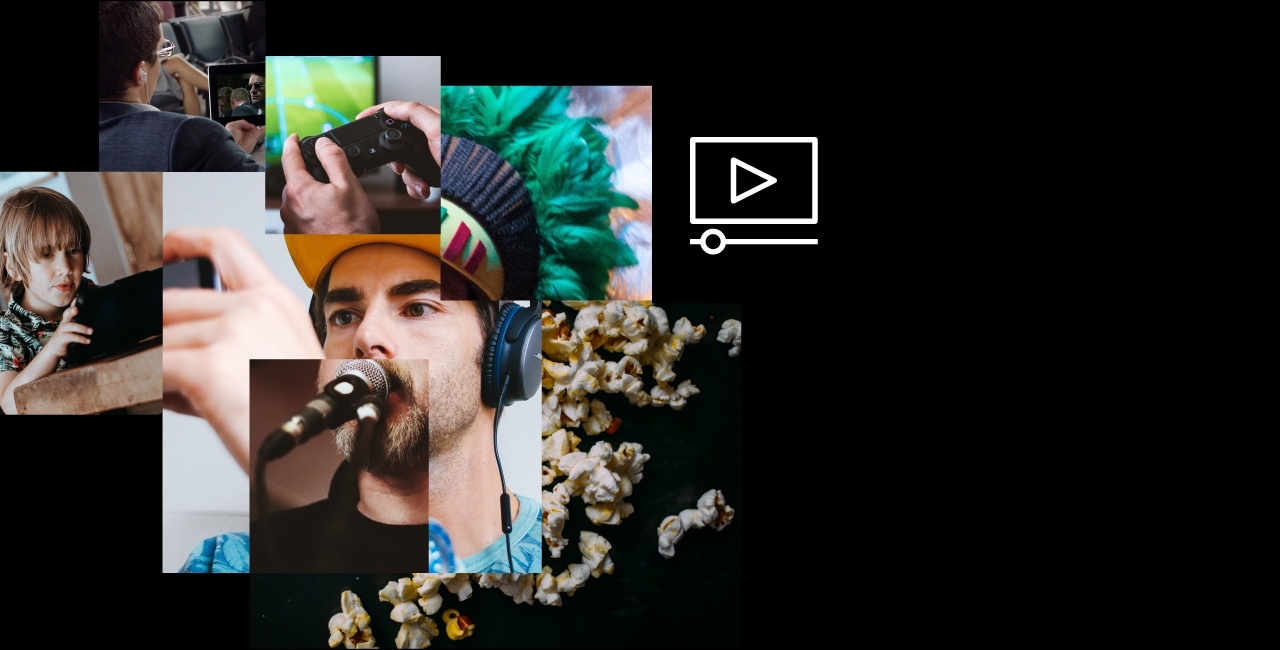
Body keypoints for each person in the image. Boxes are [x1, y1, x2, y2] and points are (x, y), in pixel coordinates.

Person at [163, 229, 541, 573]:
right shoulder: (228, 562)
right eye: (344, 316)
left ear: (504, 357)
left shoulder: (577, 549)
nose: (366, 335)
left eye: (417, 308)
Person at [98, 1, 263, 172]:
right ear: (140, 73)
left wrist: (227, 157)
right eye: (162, 51)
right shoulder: (190, 135)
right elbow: (273, 195)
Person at [0, 188, 95, 415]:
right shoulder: (6, 331)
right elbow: (9, 404)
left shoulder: (94, 301)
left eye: (73, 250)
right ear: (13, 266)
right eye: (46, 254)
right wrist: (52, 350)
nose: (65, 267)